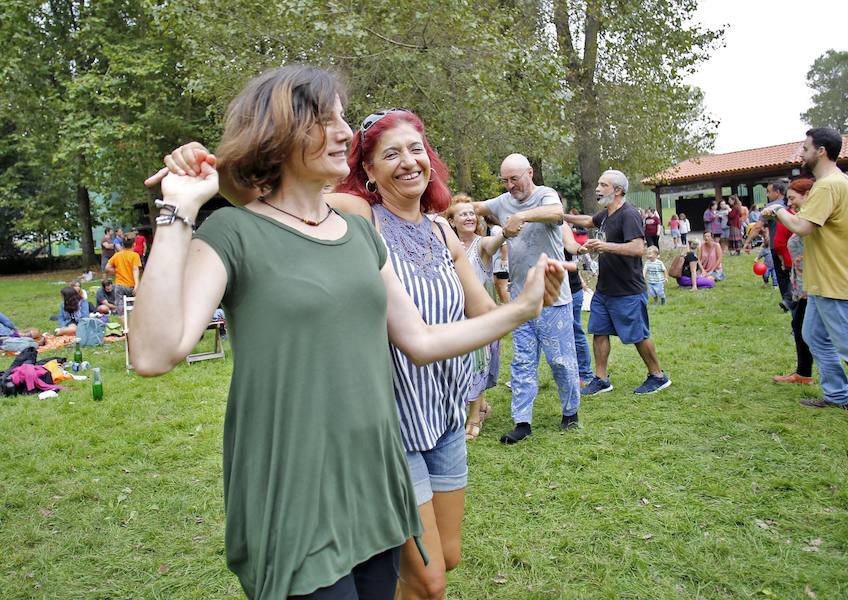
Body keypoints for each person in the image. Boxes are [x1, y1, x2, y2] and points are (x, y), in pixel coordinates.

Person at [139, 65, 563, 599]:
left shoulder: (358, 233)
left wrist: (522, 309)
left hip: (374, 480)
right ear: (280, 133)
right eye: (326, 120)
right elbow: (154, 352)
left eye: (343, 118)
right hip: (296, 491)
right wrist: (178, 208)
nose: (344, 132)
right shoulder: (235, 232)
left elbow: (423, 341)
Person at [760, 127, 848, 428]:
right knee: (814, 335)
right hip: (828, 277)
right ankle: (837, 394)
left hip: (835, 278)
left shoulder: (828, 186)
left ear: (821, 150)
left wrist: (777, 210)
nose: (803, 152)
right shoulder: (841, 182)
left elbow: (803, 226)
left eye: (806, 147)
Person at [473, 153, 581, 444]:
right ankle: (522, 421)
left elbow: (557, 214)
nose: (510, 186)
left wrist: (521, 215)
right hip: (521, 299)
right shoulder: (502, 201)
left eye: (514, 179)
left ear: (530, 173)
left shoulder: (545, 195)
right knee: (522, 362)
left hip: (553, 297)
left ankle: (570, 412)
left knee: (560, 361)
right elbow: (475, 208)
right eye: (505, 180)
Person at [565, 169, 672, 396]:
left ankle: (658, 376)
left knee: (638, 336)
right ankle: (601, 379)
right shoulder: (606, 214)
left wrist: (605, 246)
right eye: (598, 184)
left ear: (618, 190)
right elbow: (587, 220)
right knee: (599, 332)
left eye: (603, 185)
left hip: (628, 290)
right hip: (605, 289)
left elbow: (637, 248)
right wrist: (561, 217)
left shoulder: (629, 214)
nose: (597, 189)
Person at [445, 197, 505, 440]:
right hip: (453, 315)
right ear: (451, 221)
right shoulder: (445, 244)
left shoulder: (482, 245)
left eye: (472, 213)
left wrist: (505, 233)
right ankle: (480, 405)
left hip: (479, 316)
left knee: (477, 364)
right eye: (463, 214)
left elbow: (495, 243)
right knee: (459, 365)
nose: (470, 217)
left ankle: (473, 418)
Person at [773, 178, 816, 385]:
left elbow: (799, 229)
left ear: (807, 195)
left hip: (816, 284)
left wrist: (777, 211)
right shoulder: (801, 217)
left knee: (839, 337)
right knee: (800, 327)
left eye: (792, 198)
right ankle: (803, 373)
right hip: (802, 285)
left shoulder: (813, 219)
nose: (789, 203)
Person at [745, 182, 792, 308]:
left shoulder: (771, 207)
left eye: (769, 191)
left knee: (782, 275)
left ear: (777, 192)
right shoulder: (791, 204)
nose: (767, 194)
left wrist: (748, 242)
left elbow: (757, 226)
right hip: (794, 244)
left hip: (777, 245)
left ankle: (788, 300)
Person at [560, 223, 593, 385]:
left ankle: (585, 373)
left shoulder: (562, 227)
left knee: (575, 331)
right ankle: (525, 377)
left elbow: (572, 248)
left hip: (570, 290)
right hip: (546, 290)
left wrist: (580, 249)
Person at [105, 237, 142, 315]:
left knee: (121, 310)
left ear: (123, 244)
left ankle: (126, 325)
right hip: (131, 285)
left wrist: (117, 271)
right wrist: (137, 285)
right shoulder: (135, 255)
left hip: (119, 285)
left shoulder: (117, 255)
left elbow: (107, 268)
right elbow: (135, 270)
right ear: (134, 244)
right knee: (137, 307)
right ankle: (135, 324)